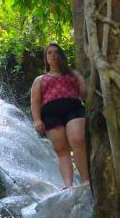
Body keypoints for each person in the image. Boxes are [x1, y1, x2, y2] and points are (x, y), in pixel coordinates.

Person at [30, 43, 89, 187]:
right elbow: (35, 101)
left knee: (78, 140)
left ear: (61, 55)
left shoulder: (73, 74)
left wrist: (83, 79)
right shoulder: (40, 80)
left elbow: (85, 94)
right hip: (51, 114)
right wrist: (37, 120)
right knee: (62, 151)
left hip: (73, 109)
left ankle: (86, 181)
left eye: (56, 52)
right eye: (49, 52)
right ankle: (68, 185)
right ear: (46, 58)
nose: (53, 55)